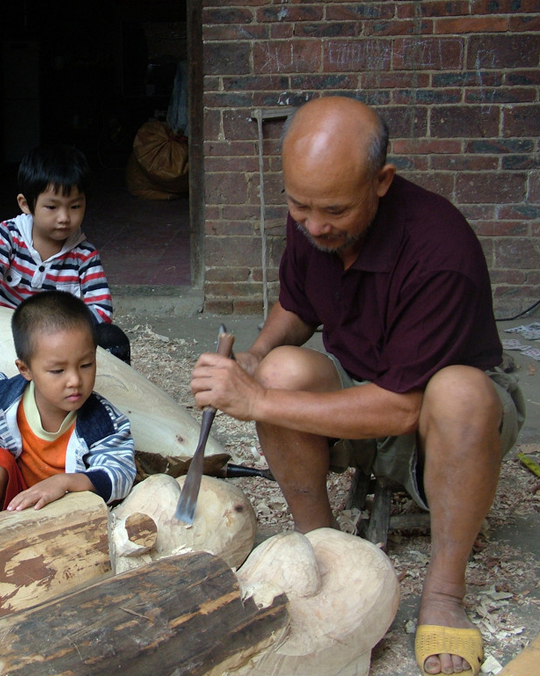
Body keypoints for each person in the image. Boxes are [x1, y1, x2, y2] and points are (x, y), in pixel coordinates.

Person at [190, 97, 524, 676]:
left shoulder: (441, 249)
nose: (316, 225)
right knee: (281, 370)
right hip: (367, 383)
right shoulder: (314, 219)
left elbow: (400, 408)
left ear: (382, 181)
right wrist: (255, 358)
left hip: (440, 418)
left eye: (335, 211)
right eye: (299, 206)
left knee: (459, 392)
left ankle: (444, 593)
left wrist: (258, 402)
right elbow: (296, 306)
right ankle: (322, 546)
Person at [0, 290, 136, 521]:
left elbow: (120, 474)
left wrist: (64, 482)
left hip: (64, 511)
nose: (75, 381)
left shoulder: (103, 421)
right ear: (25, 369)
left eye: (86, 365)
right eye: (58, 371)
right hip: (12, 499)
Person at [0, 144, 132, 364]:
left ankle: (109, 395)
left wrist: (59, 330)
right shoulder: (9, 235)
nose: (64, 217)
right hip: (7, 337)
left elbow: (101, 310)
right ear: (25, 204)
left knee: (113, 339)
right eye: (52, 207)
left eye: (75, 206)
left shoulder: (84, 255)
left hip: (60, 344)